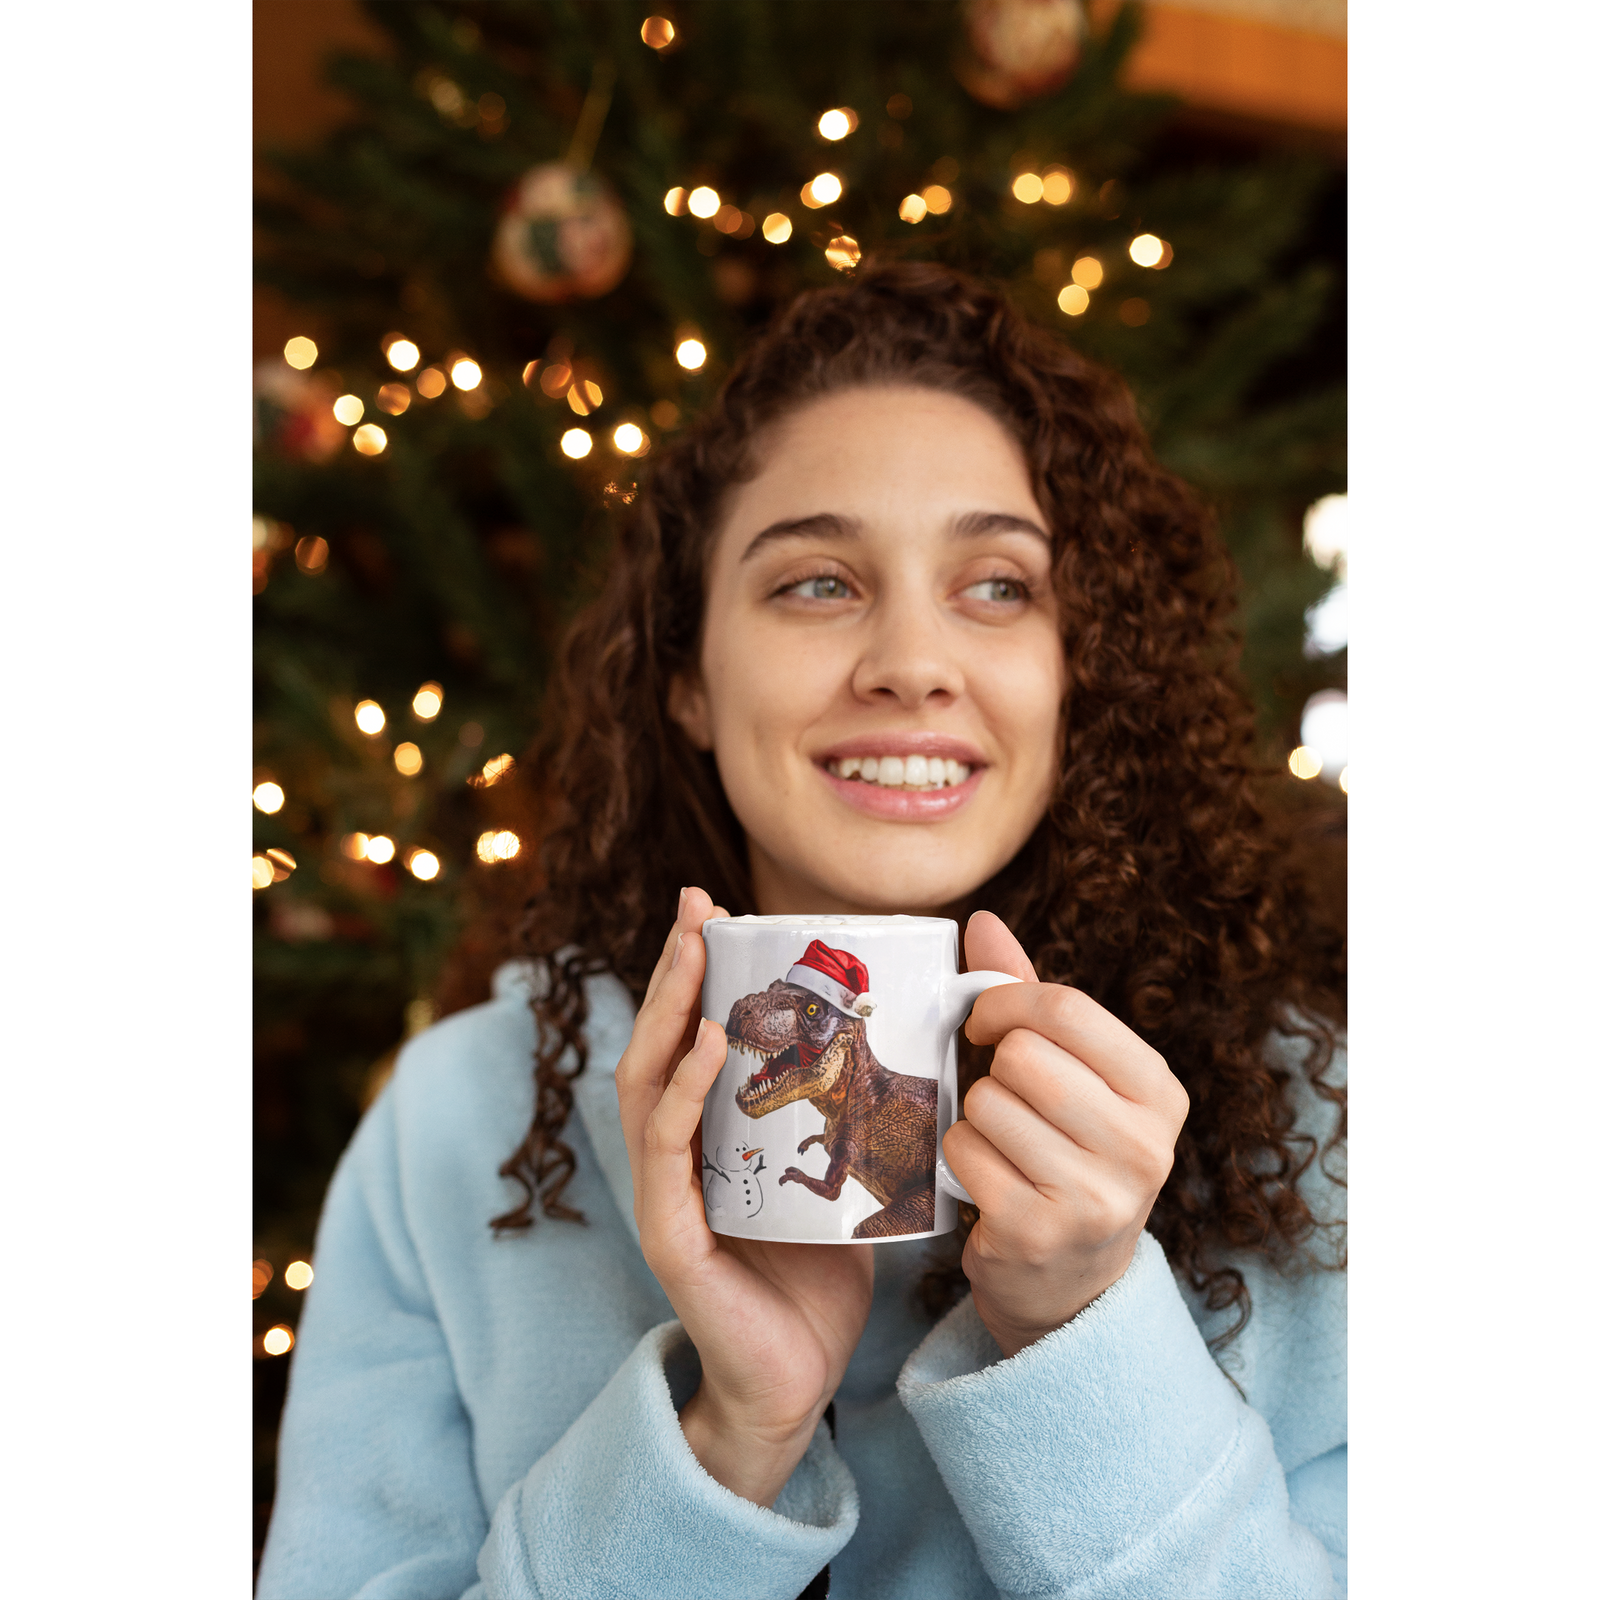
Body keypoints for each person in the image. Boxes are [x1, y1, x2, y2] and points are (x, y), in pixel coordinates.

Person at [257, 261, 1346, 1600]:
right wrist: (730, 1435)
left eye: (1000, 586)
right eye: (818, 583)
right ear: (687, 679)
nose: (911, 663)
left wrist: (1080, 1331)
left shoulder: (1311, 1127)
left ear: (1084, 670)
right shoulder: (463, 1120)